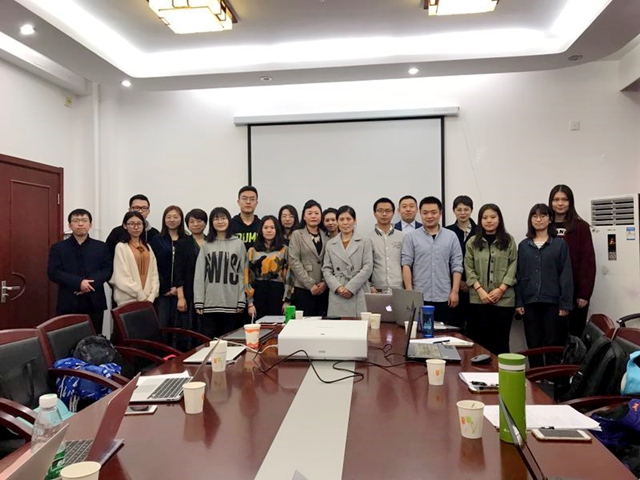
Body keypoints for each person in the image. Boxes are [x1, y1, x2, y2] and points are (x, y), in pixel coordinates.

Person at [516, 204, 573, 368]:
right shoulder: (524, 245)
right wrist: (519, 302)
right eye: (535, 216)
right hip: (529, 302)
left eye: (543, 216)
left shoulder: (560, 244)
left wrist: (565, 304)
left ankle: (551, 380)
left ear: (550, 219)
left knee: (552, 344)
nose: (539, 219)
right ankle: (536, 379)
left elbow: (566, 274)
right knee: (533, 344)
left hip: (553, 303)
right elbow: (518, 275)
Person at [47, 209, 112, 334]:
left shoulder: (101, 246)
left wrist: (89, 284)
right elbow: (53, 272)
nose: (80, 224)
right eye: (76, 221)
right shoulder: (58, 248)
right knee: (67, 338)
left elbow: (107, 270)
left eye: (84, 220)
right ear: (70, 225)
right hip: (68, 302)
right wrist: (78, 283)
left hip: (95, 301)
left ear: (90, 224)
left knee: (94, 339)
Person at [464, 204, 517, 355]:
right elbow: (468, 267)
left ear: (499, 219)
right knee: (480, 342)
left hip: (504, 300)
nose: (489, 221)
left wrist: (501, 289)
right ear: (480, 220)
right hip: (478, 299)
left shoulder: (509, 240)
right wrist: (479, 290)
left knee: (501, 341)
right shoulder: (472, 242)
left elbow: (513, 265)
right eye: (485, 217)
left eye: (493, 217)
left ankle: (501, 371)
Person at [401, 196, 463, 325]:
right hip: (420, 296)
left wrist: (455, 291)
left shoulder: (451, 236)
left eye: (433, 212)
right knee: (419, 332)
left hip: (445, 296)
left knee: (445, 333)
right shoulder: (411, 237)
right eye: (425, 213)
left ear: (440, 213)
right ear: (420, 213)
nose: (429, 216)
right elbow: (406, 264)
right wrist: (410, 292)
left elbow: (457, 265)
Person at [549, 185, 596, 337]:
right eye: (556, 199)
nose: (560, 203)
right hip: (551, 292)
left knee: (574, 337)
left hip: (575, 292)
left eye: (564, 199)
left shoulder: (581, 227)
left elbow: (587, 262)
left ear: (570, 202)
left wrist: (584, 294)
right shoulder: (545, 225)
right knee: (554, 336)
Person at [194, 207, 247, 338]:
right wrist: (199, 300)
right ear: (211, 223)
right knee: (210, 342)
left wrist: (241, 299)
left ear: (229, 220)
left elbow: (243, 274)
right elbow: (200, 274)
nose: (220, 221)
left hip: (232, 303)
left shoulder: (238, 244)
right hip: (210, 303)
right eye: (216, 219)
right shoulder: (206, 244)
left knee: (230, 342)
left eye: (223, 218)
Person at [323, 206, 373, 317]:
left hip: (358, 288)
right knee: (338, 325)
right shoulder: (331, 244)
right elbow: (326, 269)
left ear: (355, 221)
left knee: (360, 324)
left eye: (349, 219)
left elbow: (368, 267)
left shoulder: (364, 241)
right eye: (341, 219)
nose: (345, 223)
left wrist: (351, 287)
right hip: (338, 290)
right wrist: (338, 287)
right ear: (337, 222)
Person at [245, 216, 294, 320]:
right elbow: (247, 278)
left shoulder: (284, 250)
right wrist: (250, 303)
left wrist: (287, 300)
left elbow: (289, 275)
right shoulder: (252, 251)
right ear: (261, 230)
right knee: (259, 325)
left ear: (277, 230)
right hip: (258, 293)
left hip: (278, 292)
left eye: (272, 227)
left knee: (277, 324)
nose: (269, 230)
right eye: (266, 227)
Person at [109, 211, 160, 306]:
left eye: (139, 224)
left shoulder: (147, 246)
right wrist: (140, 295)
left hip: (148, 300)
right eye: (132, 224)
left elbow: (154, 273)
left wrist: (151, 296)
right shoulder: (121, 247)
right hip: (128, 300)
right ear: (125, 226)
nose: (136, 227)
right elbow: (121, 276)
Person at [288, 200, 329, 316]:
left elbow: (330, 261)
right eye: (310, 213)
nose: (313, 216)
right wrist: (310, 284)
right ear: (304, 216)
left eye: (316, 213)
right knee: (305, 321)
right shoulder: (297, 234)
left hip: (323, 288)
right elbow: (294, 261)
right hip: (303, 287)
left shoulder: (326, 235)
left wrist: (325, 283)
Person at [150, 206, 187, 331]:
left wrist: (179, 289)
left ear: (181, 219)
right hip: (162, 293)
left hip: (182, 292)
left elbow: (188, 268)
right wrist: (165, 289)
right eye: (168, 217)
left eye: (175, 217)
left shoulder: (187, 239)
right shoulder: (157, 239)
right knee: (162, 326)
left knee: (181, 327)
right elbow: (153, 266)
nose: (172, 220)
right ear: (164, 219)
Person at [446, 195, 478, 332]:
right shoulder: (447, 231)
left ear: (471, 210)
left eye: (466, 209)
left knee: (475, 328)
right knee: (454, 327)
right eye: (459, 209)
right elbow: (445, 260)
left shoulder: (480, 231)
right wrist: (458, 283)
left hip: (476, 287)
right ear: (454, 211)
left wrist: (471, 283)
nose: (462, 213)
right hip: (453, 287)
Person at [175, 209, 208, 332]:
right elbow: (178, 272)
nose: (195, 224)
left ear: (205, 223)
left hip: (210, 292)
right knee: (192, 328)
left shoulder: (212, 241)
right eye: (192, 221)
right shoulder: (182, 244)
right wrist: (181, 297)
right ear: (187, 224)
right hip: (189, 292)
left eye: (199, 221)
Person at [368, 197, 405, 293]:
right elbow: (365, 266)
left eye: (388, 211)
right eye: (380, 211)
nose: (384, 214)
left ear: (393, 213)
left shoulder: (403, 237)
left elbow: (407, 264)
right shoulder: (367, 239)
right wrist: (370, 286)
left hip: (399, 289)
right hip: (377, 289)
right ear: (374, 213)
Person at [230, 186, 260, 250]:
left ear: (256, 203)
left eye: (252, 199)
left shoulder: (262, 225)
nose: (248, 202)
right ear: (238, 202)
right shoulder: (230, 224)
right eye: (244, 199)